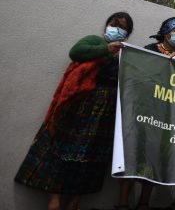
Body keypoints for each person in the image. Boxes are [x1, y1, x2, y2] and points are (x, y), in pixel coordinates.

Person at [15, 12, 134, 210]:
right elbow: (76, 52)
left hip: (107, 115)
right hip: (81, 108)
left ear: (127, 33)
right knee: (63, 150)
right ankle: (55, 200)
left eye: (122, 27)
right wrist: (106, 48)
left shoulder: (128, 53)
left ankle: (74, 203)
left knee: (92, 159)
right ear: (106, 26)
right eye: (114, 24)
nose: (116, 28)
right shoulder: (95, 42)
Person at [137, 17, 175, 210]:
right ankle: (143, 201)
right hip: (153, 111)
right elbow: (141, 73)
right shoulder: (151, 49)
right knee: (151, 156)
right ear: (166, 32)